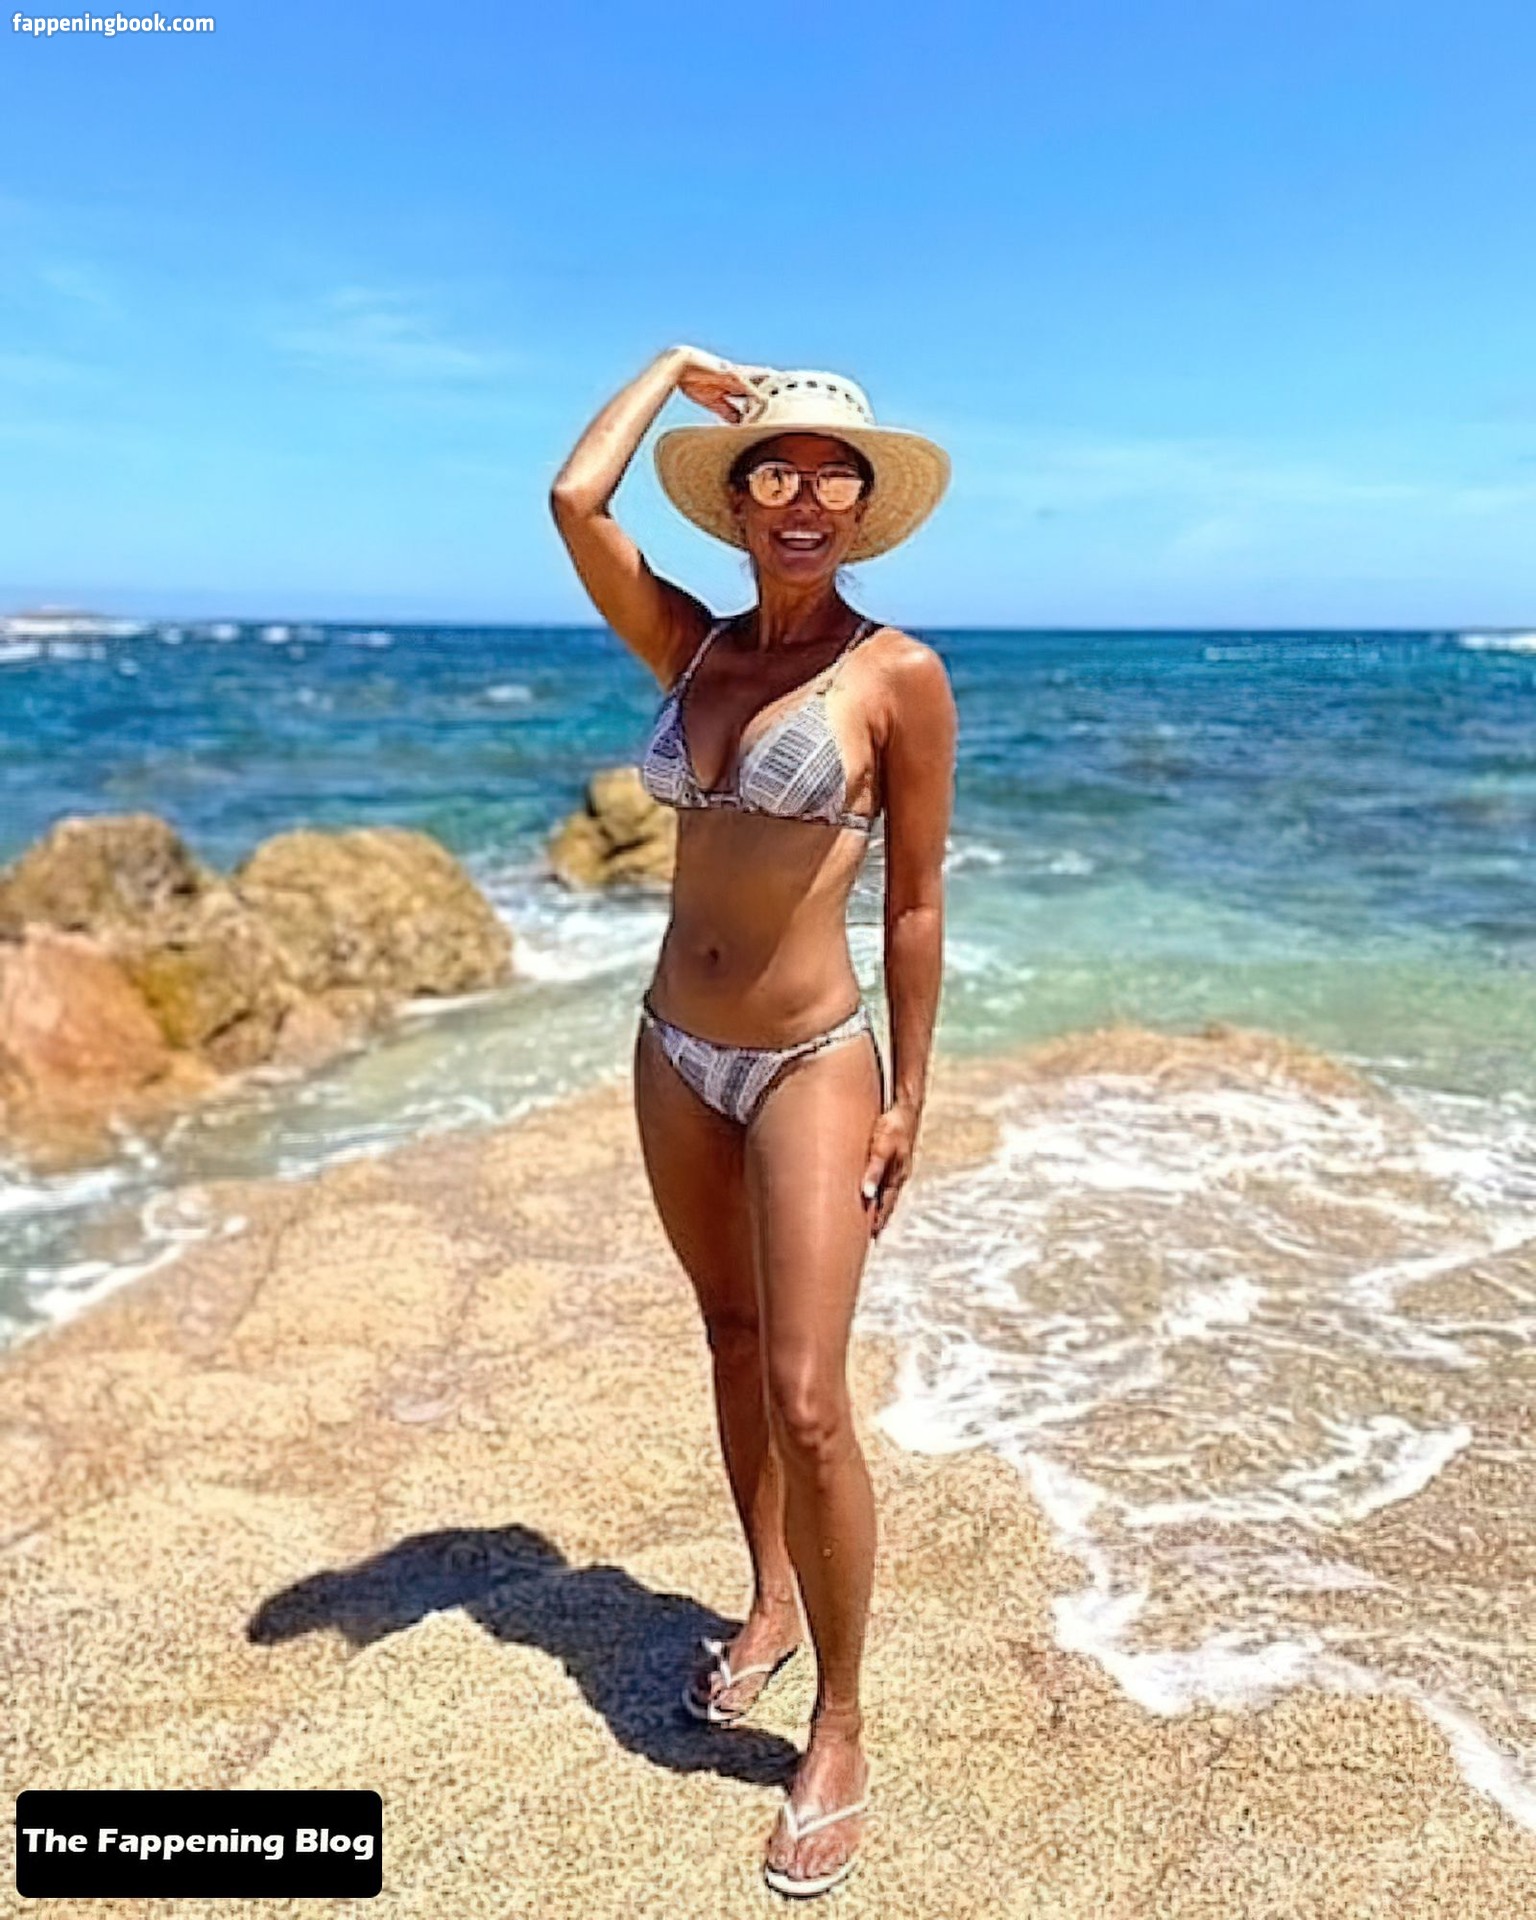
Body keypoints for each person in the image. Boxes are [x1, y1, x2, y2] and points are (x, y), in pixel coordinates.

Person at [549, 346, 957, 1898]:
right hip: (673, 1050)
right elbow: (574, 498)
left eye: (833, 476)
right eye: (775, 470)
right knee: (727, 1337)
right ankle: (769, 1599)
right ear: (738, 503)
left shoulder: (897, 675)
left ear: (861, 510)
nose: (803, 497)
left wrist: (911, 1091)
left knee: (807, 1397)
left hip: (808, 1062)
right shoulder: (690, 644)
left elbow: (913, 902)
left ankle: (839, 1723)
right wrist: (670, 369)